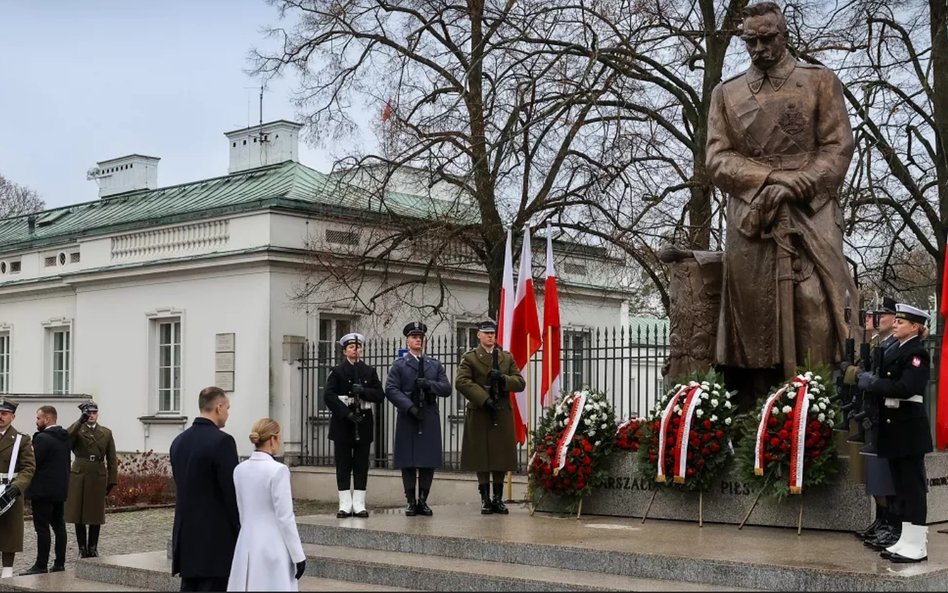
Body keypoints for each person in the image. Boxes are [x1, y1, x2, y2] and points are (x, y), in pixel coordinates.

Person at [706, 1, 857, 397]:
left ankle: (818, 402)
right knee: (754, 317)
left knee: (816, 305)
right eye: (751, 41)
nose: (759, 48)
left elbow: (838, 147)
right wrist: (771, 179)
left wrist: (795, 184)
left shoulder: (820, 81)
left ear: (784, 35)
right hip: (752, 212)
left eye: (767, 38)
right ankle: (759, 409)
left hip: (812, 206)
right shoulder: (726, 94)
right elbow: (717, 159)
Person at [858, 303, 933, 563]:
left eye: (903, 322)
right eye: (897, 320)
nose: (896, 324)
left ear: (915, 327)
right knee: (899, 489)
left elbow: (906, 386)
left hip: (908, 430)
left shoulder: (917, 354)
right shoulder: (897, 350)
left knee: (912, 489)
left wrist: (875, 383)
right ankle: (905, 539)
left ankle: (917, 544)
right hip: (894, 429)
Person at [841, 297, 900, 547]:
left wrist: (857, 374)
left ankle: (892, 523)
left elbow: (883, 379)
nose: (873, 319)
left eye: (880, 315)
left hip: (888, 419)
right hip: (871, 416)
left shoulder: (895, 346)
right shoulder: (878, 343)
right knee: (873, 474)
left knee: (885, 475)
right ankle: (882, 519)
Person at [170, 386, 240, 591]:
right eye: (227, 407)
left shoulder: (179, 441)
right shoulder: (223, 441)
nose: (227, 412)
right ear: (218, 407)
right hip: (214, 540)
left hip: (186, 536)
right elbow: (231, 491)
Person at [227, 418, 305, 592]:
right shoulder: (278, 470)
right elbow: (285, 517)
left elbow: (242, 511)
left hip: (246, 542)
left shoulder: (239, 469)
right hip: (272, 544)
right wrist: (298, 555)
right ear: (272, 439)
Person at [456, 320, 525, 514]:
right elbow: (461, 382)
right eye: (486, 333)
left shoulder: (506, 357)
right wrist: (484, 398)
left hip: (501, 410)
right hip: (481, 411)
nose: (490, 336)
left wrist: (503, 379)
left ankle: (498, 498)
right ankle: (485, 499)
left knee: (500, 456)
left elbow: (520, 382)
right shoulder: (470, 358)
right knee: (482, 456)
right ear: (478, 335)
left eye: (492, 333)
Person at [384, 321, 451, 516]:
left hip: (429, 415)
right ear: (407, 341)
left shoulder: (434, 365)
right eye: (414, 337)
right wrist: (410, 407)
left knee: (427, 461)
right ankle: (411, 501)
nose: (418, 340)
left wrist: (429, 385)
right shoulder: (400, 365)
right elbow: (391, 390)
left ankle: (423, 500)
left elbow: (446, 388)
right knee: (408, 462)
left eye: (420, 337)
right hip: (409, 416)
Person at [324, 332, 385, 519]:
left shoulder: (369, 371)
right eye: (351, 347)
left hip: (363, 423)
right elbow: (329, 396)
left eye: (358, 347)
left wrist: (364, 391)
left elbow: (380, 395)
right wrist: (346, 413)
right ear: (344, 351)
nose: (355, 350)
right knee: (343, 465)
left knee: (361, 464)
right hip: (343, 424)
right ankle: (344, 503)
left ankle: (359, 503)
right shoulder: (337, 372)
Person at [21, 406, 71, 575]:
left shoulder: (42, 438)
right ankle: (59, 563)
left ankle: (41, 564)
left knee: (42, 528)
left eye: (38, 418)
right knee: (59, 527)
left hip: (43, 491)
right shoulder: (65, 437)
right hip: (59, 490)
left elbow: (33, 462)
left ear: (47, 419)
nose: (36, 422)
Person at [64, 401, 117, 559]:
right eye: (88, 413)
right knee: (78, 512)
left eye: (94, 413)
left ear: (98, 414)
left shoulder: (106, 433)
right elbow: (66, 438)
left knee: (95, 513)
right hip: (80, 472)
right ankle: (82, 546)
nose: (91, 416)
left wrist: (112, 479)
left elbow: (112, 458)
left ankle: (93, 546)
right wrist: (80, 421)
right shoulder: (77, 430)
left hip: (97, 473)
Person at [0, 398, 36, 579]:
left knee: (9, 530)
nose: (0, 416)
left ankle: (7, 569)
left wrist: (18, 486)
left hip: (10, 490)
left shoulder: (21, 440)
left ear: (12, 417)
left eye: (4, 413)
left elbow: (29, 467)